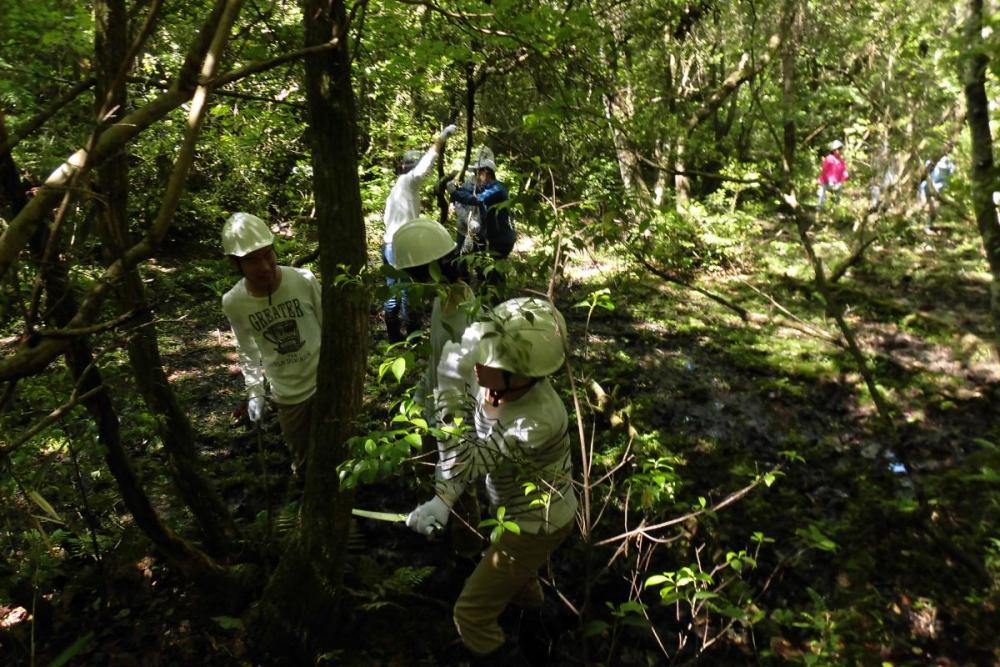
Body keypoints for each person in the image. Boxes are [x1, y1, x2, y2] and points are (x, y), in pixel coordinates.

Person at [407, 297, 577, 663]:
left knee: (469, 615)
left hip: (537, 523)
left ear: (522, 374)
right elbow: (464, 452)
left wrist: (449, 390)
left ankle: (507, 653)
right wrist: (443, 499)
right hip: (508, 514)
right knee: (518, 583)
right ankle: (542, 634)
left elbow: (469, 461)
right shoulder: (492, 377)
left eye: (490, 361)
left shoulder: (538, 420)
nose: (477, 365)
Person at [221, 212, 322, 474]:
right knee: (305, 461)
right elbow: (247, 349)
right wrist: (255, 392)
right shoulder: (234, 302)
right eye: (252, 260)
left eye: (268, 254)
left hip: (325, 381)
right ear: (235, 264)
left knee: (340, 451)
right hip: (288, 394)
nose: (265, 266)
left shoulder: (303, 280)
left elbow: (330, 325)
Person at [382, 124, 458, 342]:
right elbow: (426, 166)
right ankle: (413, 341)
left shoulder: (396, 190)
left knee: (394, 293)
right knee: (410, 292)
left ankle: (394, 339)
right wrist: (441, 139)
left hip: (388, 246)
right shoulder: (407, 182)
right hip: (401, 246)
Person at [446, 153, 516, 296]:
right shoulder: (487, 187)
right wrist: (454, 188)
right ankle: (490, 299)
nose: (476, 177)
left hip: (502, 238)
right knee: (489, 268)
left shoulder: (497, 189)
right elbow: (470, 191)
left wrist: (454, 193)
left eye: (479, 173)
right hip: (494, 236)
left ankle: (496, 302)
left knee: (495, 273)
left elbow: (476, 199)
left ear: (487, 173)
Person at [817, 139, 848, 210]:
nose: (839, 151)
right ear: (833, 150)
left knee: (839, 189)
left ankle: (836, 207)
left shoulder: (841, 161)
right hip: (826, 182)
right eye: (838, 149)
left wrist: (844, 178)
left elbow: (844, 172)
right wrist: (825, 179)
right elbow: (824, 170)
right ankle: (819, 207)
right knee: (822, 191)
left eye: (840, 149)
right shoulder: (829, 158)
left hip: (836, 184)